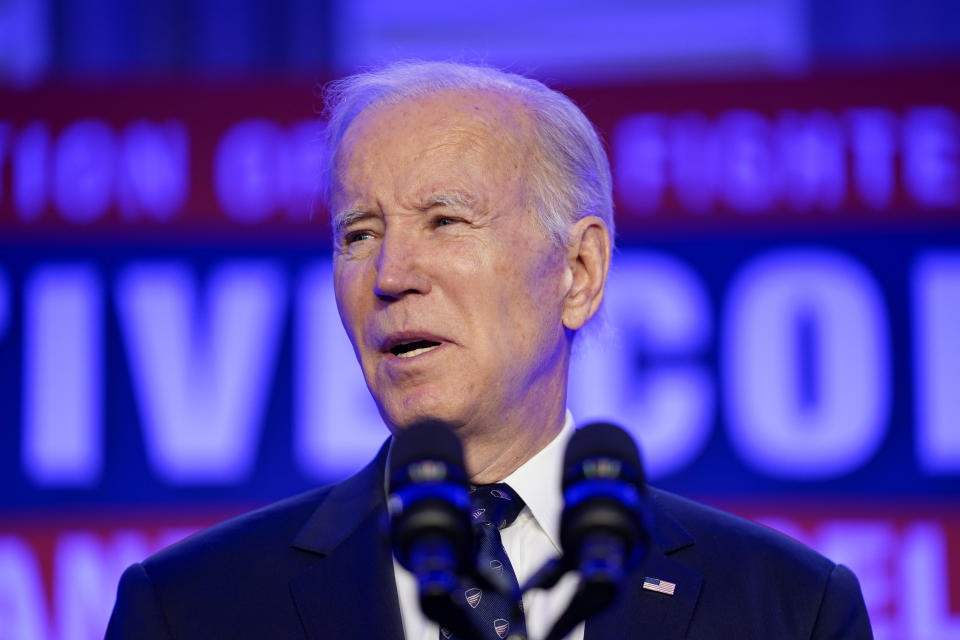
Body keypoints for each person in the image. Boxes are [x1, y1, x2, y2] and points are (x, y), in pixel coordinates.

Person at [106, 61, 873, 639]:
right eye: (359, 234)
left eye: (445, 221)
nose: (391, 275)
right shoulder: (190, 607)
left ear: (578, 272)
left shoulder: (789, 609)